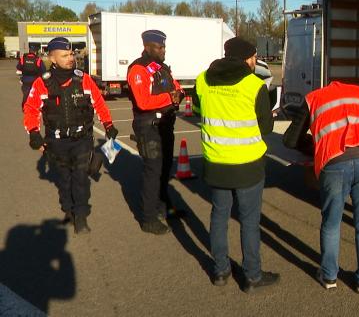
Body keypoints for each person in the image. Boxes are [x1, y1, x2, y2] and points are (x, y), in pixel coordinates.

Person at [192, 37, 279, 293]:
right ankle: (252, 276)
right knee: (249, 221)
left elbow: (198, 111)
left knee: (219, 216)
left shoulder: (202, 79)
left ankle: (220, 271)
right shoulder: (254, 86)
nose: (255, 61)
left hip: (216, 162)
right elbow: (266, 127)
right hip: (248, 165)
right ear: (245, 58)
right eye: (253, 57)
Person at [283, 81, 359, 294]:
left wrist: (313, 145)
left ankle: (329, 276)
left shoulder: (313, 98)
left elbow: (290, 140)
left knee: (331, 222)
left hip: (334, 162)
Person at [23, 37, 117, 234]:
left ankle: (81, 215)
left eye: (71, 54)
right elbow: (31, 109)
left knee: (81, 178)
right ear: (52, 58)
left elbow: (99, 102)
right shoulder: (42, 83)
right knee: (65, 179)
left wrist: (108, 125)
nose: (70, 58)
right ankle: (68, 209)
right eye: (64, 55)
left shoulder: (83, 78)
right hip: (56, 142)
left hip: (82, 139)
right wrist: (33, 133)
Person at [126, 30, 185, 235]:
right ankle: (148, 218)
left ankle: (165, 207)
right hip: (148, 126)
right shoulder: (138, 69)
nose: (163, 50)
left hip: (166, 124)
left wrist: (178, 94)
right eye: (159, 47)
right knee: (153, 171)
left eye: (164, 47)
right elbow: (143, 102)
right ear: (147, 47)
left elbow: (176, 87)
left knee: (165, 168)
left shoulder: (162, 68)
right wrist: (171, 97)